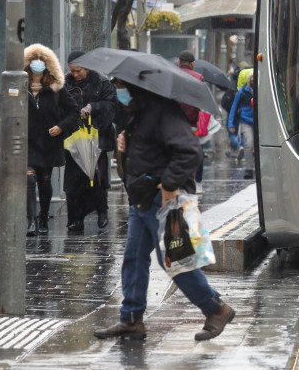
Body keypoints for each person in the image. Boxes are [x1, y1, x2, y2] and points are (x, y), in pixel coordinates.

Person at [94, 81, 235, 341]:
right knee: (134, 257)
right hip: (142, 198)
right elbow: (149, 151)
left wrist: (169, 184)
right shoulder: (139, 113)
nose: (119, 90)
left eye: (122, 85)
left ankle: (215, 309)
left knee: (175, 259)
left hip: (163, 199)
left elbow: (190, 152)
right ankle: (131, 319)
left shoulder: (163, 112)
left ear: (137, 86)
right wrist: (126, 144)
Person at [0, 44, 80, 236]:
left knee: (44, 182)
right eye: (33, 63)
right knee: (29, 179)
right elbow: (2, 104)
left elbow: (73, 111)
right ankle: (30, 220)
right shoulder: (17, 86)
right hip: (27, 143)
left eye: (41, 63)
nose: (37, 67)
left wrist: (61, 126)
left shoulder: (56, 89)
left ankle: (43, 218)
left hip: (49, 144)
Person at [64, 50, 117, 232]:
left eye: (78, 71)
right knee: (73, 181)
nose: (75, 75)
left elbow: (111, 106)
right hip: (75, 138)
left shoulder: (102, 82)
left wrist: (94, 107)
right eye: (72, 71)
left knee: (97, 178)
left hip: (97, 137)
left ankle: (102, 211)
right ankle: (75, 218)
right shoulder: (66, 83)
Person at [176, 50, 206, 193]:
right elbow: (201, 101)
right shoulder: (198, 78)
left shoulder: (172, 75)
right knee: (197, 152)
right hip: (192, 124)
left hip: (173, 123)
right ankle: (197, 182)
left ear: (178, 62)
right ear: (193, 64)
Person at [228, 69, 254, 178]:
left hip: (258, 122)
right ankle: (249, 169)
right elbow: (234, 107)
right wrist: (231, 124)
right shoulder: (243, 91)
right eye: (251, 78)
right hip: (246, 121)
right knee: (249, 143)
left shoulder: (261, 90)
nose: (253, 80)